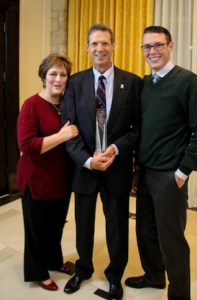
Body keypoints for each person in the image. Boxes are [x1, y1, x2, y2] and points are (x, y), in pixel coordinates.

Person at [125, 26, 197, 300]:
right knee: (146, 231)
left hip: (169, 177)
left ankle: (179, 294)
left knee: (172, 241)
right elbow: (146, 131)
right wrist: (138, 168)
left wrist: (182, 171)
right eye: (147, 47)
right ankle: (154, 276)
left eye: (158, 45)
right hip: (147, 173)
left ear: (170, 46)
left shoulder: (187, 81)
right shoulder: (144, 84)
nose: (152, 51)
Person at [61, 23, 141, 300]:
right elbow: (68, 129)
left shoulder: (132, 82)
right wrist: (86, 160)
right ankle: (82, 270)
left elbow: (138, 129)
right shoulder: (75, 83)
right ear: (87, 48)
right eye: (94, 43)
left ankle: (115, 276)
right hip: (85, 168)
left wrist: (116, 149)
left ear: (114, 46)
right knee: (83, 224)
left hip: (117, 166)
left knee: (117, 225)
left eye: (105, 43)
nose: (100, 48)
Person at [17, 53, 79, 291]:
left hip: (61, 179)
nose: (58, 79)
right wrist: (60, 136)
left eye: (63, 74)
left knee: (56, 226)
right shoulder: (32, 104)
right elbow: (26, 145)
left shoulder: (67, 103)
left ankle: (54, 260)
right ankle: (38, 271)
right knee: (37, 230)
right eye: (53, 73)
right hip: (36, 179)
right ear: (44, 76)